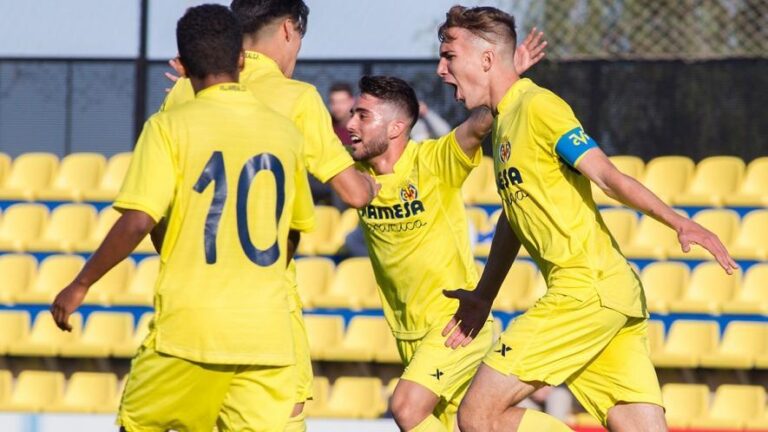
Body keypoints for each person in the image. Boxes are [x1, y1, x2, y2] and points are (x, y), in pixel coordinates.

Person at [435, 6, 738, 432]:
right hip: (609, 296)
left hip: (585, 292)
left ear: (486, 59)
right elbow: (513, 218)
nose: (441, 70)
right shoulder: (504, 123)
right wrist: (484, 295)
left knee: (477, 415)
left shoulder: (538, 106)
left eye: (449, 56)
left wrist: (679, 222)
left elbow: (607, 176)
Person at [50, 4, 315, 431]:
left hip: (190, 330)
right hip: (266, 333)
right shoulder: (285, 133)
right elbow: (294, 231)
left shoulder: (169, 126)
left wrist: (80, 284)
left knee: (140, 426)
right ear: (242, 60)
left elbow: (139, 220)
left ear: (184, 67)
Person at [160, 2, 378, 429]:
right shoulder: (297, 97)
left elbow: (158, 213)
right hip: (263, 316)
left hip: (190, 315)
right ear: (288, 30)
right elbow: (353, 193)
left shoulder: (184, 93)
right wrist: (375, 181)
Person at [344, 31, 543, 432]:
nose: (350, 124)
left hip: (455, 324)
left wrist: (509, 82)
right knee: (481, 423)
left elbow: (478, 126)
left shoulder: (433, 161)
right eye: (352, 114)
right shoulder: (353, 175)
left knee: (406, 408)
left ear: (397, 127)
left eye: (362, 116)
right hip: (408, 332)